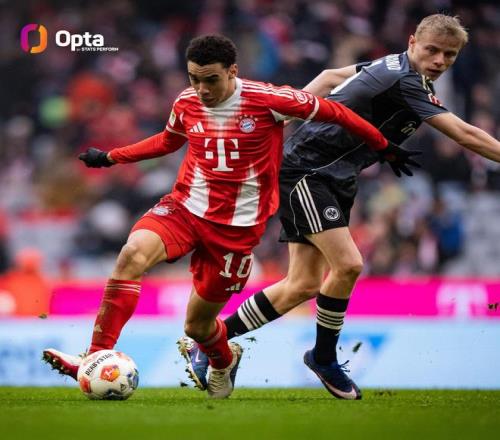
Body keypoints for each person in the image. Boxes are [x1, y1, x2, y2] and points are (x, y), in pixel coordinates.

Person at [42, 34, 402, 399]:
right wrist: (111, 157)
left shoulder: (269, 100)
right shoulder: (186, 101)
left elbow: (336, 112)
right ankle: (95, 356)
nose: (201, 89)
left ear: (232, 71)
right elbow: (167, 141)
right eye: (194, 78)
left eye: (210, 80)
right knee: (132, 254)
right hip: (184, 208)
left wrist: (383, 145)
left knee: (198, 327)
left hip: (235, 230)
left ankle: (224, 359)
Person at [178, 14, 500, 400]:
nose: (439, 60)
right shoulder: (406, 81)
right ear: (413, 42)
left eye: (449, 55)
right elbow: (464, 133)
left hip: (334, 177)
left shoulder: (390, 65)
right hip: (307, 171)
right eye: (432, 50)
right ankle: (324, 357)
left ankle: (211, 343)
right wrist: (281, 119)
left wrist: (285, 115)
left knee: (302, 284)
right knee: (348, 264)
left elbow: (331, 76)